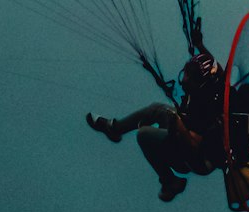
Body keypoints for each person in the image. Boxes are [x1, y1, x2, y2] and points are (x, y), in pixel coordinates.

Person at [86, 52, 227, 202]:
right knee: (158, 108)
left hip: (196, 159)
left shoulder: (205, 106)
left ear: (200, 82)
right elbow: (216, 68)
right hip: (184, 138)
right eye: (186, 72)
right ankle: (115, 128)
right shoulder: (213, 84)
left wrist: (177, 122)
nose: (184, 79)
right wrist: (199, 45)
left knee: (144, 134)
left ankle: (170, 182)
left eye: (189, 77)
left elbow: (194, 142)